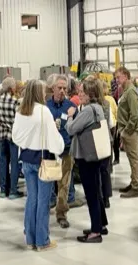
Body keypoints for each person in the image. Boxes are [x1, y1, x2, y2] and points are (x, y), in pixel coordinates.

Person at [13, 80, 64, 251]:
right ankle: (42, 241)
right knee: (43, 202)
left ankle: (30, 239)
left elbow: (16, 137)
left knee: (31, 200)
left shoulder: (21, 111)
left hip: (27, 159)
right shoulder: (44, 111)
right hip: (43, 160)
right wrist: (60, 147)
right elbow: (54, 139)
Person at [67, 77, 111, 243]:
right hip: (97, 155)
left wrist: (70, 116)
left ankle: (95, 232)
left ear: (90, 93)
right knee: (96, 191)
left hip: (87, 157)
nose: (79, 94)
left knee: (91, 194)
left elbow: (71, 129)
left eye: (82, 92)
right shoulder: (99, 107)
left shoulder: (86, 111)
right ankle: (100, 224)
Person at [46, 75, 78, 228]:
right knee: (49, 182)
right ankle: (46, 208)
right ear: (53, 88)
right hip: (50, 152)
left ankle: (61, 213)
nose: (62, 91)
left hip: (66, 150)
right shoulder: (46, 107)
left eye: (65, 88)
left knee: (64, 184)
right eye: (59, 88)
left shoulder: (71, 106)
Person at [115, 68, 138, 198]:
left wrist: (126, 131)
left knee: (133, 159)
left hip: (130, 131)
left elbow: (134, 115)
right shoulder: (126, 91)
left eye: (118, 77)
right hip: (126, 130)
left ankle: (136, 187)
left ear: (126, 76)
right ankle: (133, 183)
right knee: (132, 159)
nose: (117, 80)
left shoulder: (131, 92)